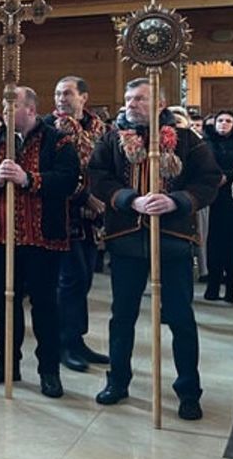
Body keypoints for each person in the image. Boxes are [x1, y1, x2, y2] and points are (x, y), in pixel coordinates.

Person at [88, 78, 222, 420]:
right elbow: (98, 178)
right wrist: (130, 199)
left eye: (140, 99)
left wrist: (175, 200)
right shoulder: (112, 140)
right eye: (129, 98)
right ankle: (117, 381)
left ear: (160, 104)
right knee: (122, 317)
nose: (131, 104)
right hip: (127, 240)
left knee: (180, 318)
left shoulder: (188, 141)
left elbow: (208, 181)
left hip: (174, 239)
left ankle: (189, 390)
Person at [0, 87, 78, 399]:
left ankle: (49, 371)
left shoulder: (58, 140)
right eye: (3, 106)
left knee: (45, 306)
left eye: (12, 106)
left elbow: (69, 180)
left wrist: (29, 179)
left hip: (43, 239)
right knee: (6, 304)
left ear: (30, 109)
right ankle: (6, 364)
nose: (5, 111)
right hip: (1, 237)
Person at [45, 76, 110, 373]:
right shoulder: (50, 128)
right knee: (70, 280)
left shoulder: (99, 129)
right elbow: (55, 172)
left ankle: (77, 339)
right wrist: (84, 197)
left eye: (67, 93)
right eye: (57, 93)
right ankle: (63, 343)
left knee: (84, 280)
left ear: (83, 97)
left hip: (92, 217)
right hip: (63, 212)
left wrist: (100, 197)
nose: (61, 99)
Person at [205, 110, 233, 302]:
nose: (223, 124)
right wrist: (215, 177)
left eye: (228, 121)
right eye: (219, 120)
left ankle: (231, 289)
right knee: (213, 244)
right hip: (211, 197)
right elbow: (202, 165)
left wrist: (227, 177)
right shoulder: (205, 144)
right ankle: (212, 287)